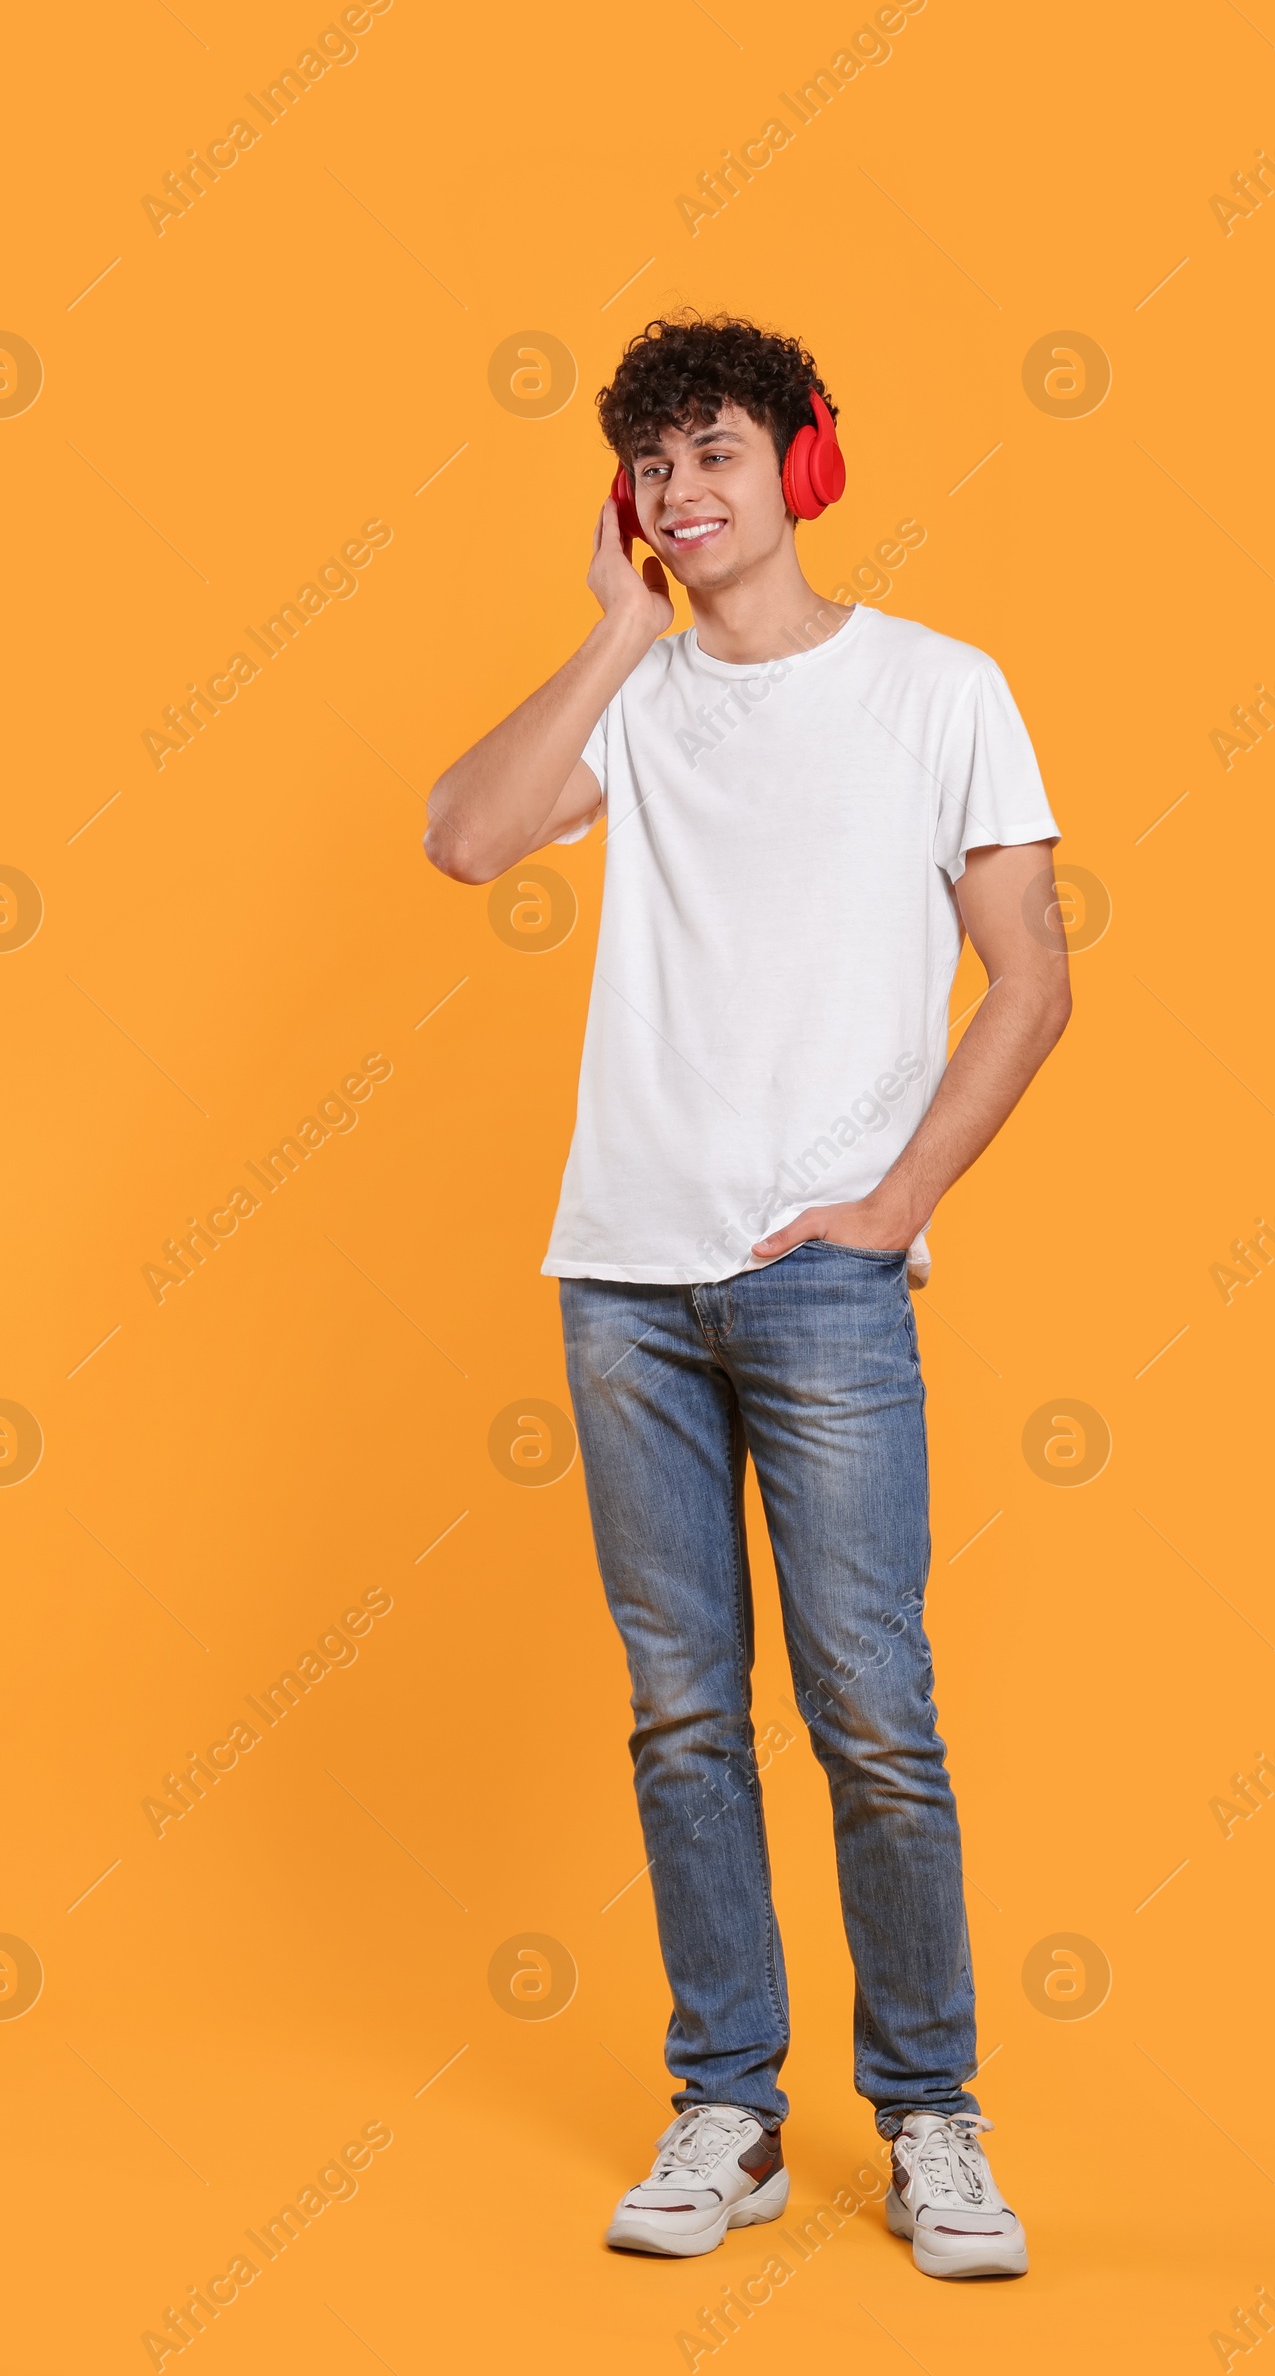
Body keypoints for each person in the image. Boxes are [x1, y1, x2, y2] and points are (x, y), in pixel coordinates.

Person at [424, 314, 1069, 2280]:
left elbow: (1030, 978)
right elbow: (462, 838)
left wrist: (891, 1201)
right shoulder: (633, 696)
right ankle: (730, 2106)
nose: (678, 492)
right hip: (620, 1277)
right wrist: (621, 632)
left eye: (709, 452)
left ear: (803, 459)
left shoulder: (936, 690)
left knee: (870, 1707)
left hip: (819, 1288)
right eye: (646, 468)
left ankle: (933, 2115)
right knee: (681, 1711)